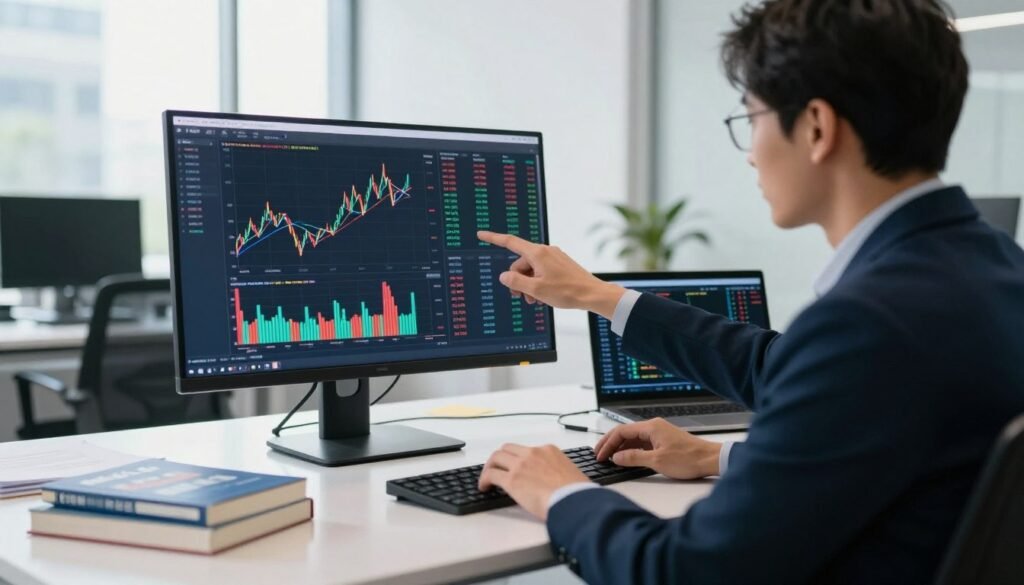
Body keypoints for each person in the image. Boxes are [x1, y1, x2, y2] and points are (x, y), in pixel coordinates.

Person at [474, 1, 1024, 583]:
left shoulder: (870, 323)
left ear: (816, 126)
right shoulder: (994, 268)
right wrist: (600, 297)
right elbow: (790, 373)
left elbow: (681, 572)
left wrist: (563, 495)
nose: (750, 151)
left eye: (752, 118)